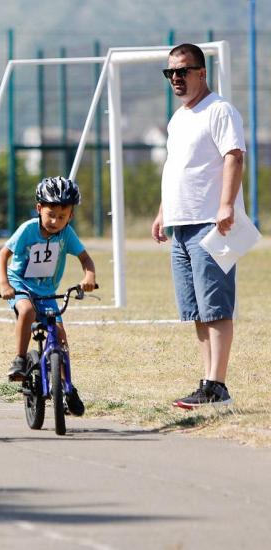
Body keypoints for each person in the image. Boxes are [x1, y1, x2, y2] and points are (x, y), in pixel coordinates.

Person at [151, 43, 245, 409]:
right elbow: (176, 168)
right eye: (170, 72)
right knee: (196, 310)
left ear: (201, 73)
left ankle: (218, 385)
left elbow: (234, 156)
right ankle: (206, 380)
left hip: (210, 223)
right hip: (181, 224)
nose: (175, 77)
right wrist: (163, 212)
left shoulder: (219, 110)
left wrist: (226, 205)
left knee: (216, 306)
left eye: (182, 71)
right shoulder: (178, 118)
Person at [0, 176, 96, 416]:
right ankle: (20, 359)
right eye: (50, 214)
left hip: (47, 292)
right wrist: (5, 284)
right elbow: (2, 255)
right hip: (21, 286)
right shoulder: (28, 230)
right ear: (39, 208)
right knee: (28, 311)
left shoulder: (67, 234)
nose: (55, 221)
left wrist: (89, 277)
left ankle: (67, 386)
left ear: (70, 216)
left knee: (60, 335)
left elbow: (86, 259)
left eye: (62, 217)